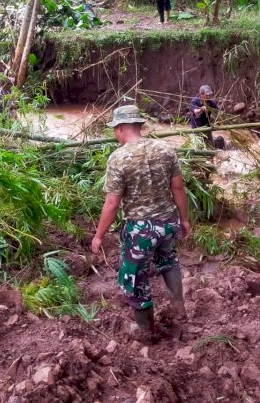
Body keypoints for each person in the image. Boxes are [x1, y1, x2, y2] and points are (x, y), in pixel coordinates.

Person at [91, 105, 191, 335]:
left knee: (134, 277)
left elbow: (112, 203)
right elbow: (178, 188)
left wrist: (98, 235)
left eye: (115, 129)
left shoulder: (119, 158)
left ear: (121, 128)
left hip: (141, 230)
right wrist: (184, 220)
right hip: (168, 223)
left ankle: (145, 329)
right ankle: (177, 305)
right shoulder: (166, 149)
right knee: (169, 261)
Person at [189, 84, 224, 149]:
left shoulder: (211, 102)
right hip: (197, 128)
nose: (208, 97)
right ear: (201, 94)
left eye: (209, 95)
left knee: (210, 147)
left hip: (207, 128)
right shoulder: (195, 101)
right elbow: (195, 112)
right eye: (207, 95)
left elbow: (217, 113)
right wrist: (201, 109)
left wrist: (219, 116)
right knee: (198, 147)